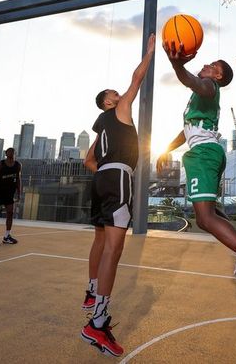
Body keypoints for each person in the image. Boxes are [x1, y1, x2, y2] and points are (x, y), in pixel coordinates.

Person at [157, 42, 236, 318]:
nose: (206, 65)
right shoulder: (201, 98)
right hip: (208, 152)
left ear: (217, 77)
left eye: (212, 66)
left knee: (203, 218)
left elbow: (191, 80)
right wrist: (166, 148)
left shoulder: (208, 88)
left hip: (203, 155)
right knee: (212, 212)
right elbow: (186, 128)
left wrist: (177, 64)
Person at [80, 34, 156, 358]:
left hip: (101, 179)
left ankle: (92, 291)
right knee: (114, 247)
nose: (118, 92)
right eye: (113, 92)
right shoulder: (121, 108)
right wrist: (150, 52)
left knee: (100, 241)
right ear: (108, 101)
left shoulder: (101, 129)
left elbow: (88, 161)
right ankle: (98, 322)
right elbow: (137, 78)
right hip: (119, 177)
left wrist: (105, 175)